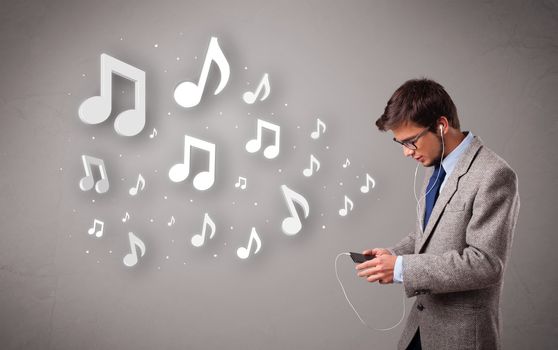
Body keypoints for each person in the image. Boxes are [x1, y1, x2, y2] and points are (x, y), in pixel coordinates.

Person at [355, 78, 520, 350]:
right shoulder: (437, 167)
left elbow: (486, 263)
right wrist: (392, 254)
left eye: (410, 142)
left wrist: (400, 269)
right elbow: (429, 233)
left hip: (462, 339)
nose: (407, 153)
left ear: (441, 126)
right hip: (419, 331)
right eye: (400, 144)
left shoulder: (494, 175)